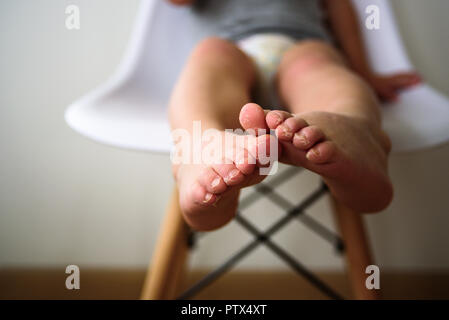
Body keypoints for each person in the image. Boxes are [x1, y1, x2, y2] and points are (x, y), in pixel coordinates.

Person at [168, 0, 421, 231]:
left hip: (302, 45)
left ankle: (351, 129)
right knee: (208, 57)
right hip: (230, 52)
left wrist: (364, 72)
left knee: (319, 67)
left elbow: (339, 7)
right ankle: (201, 144)